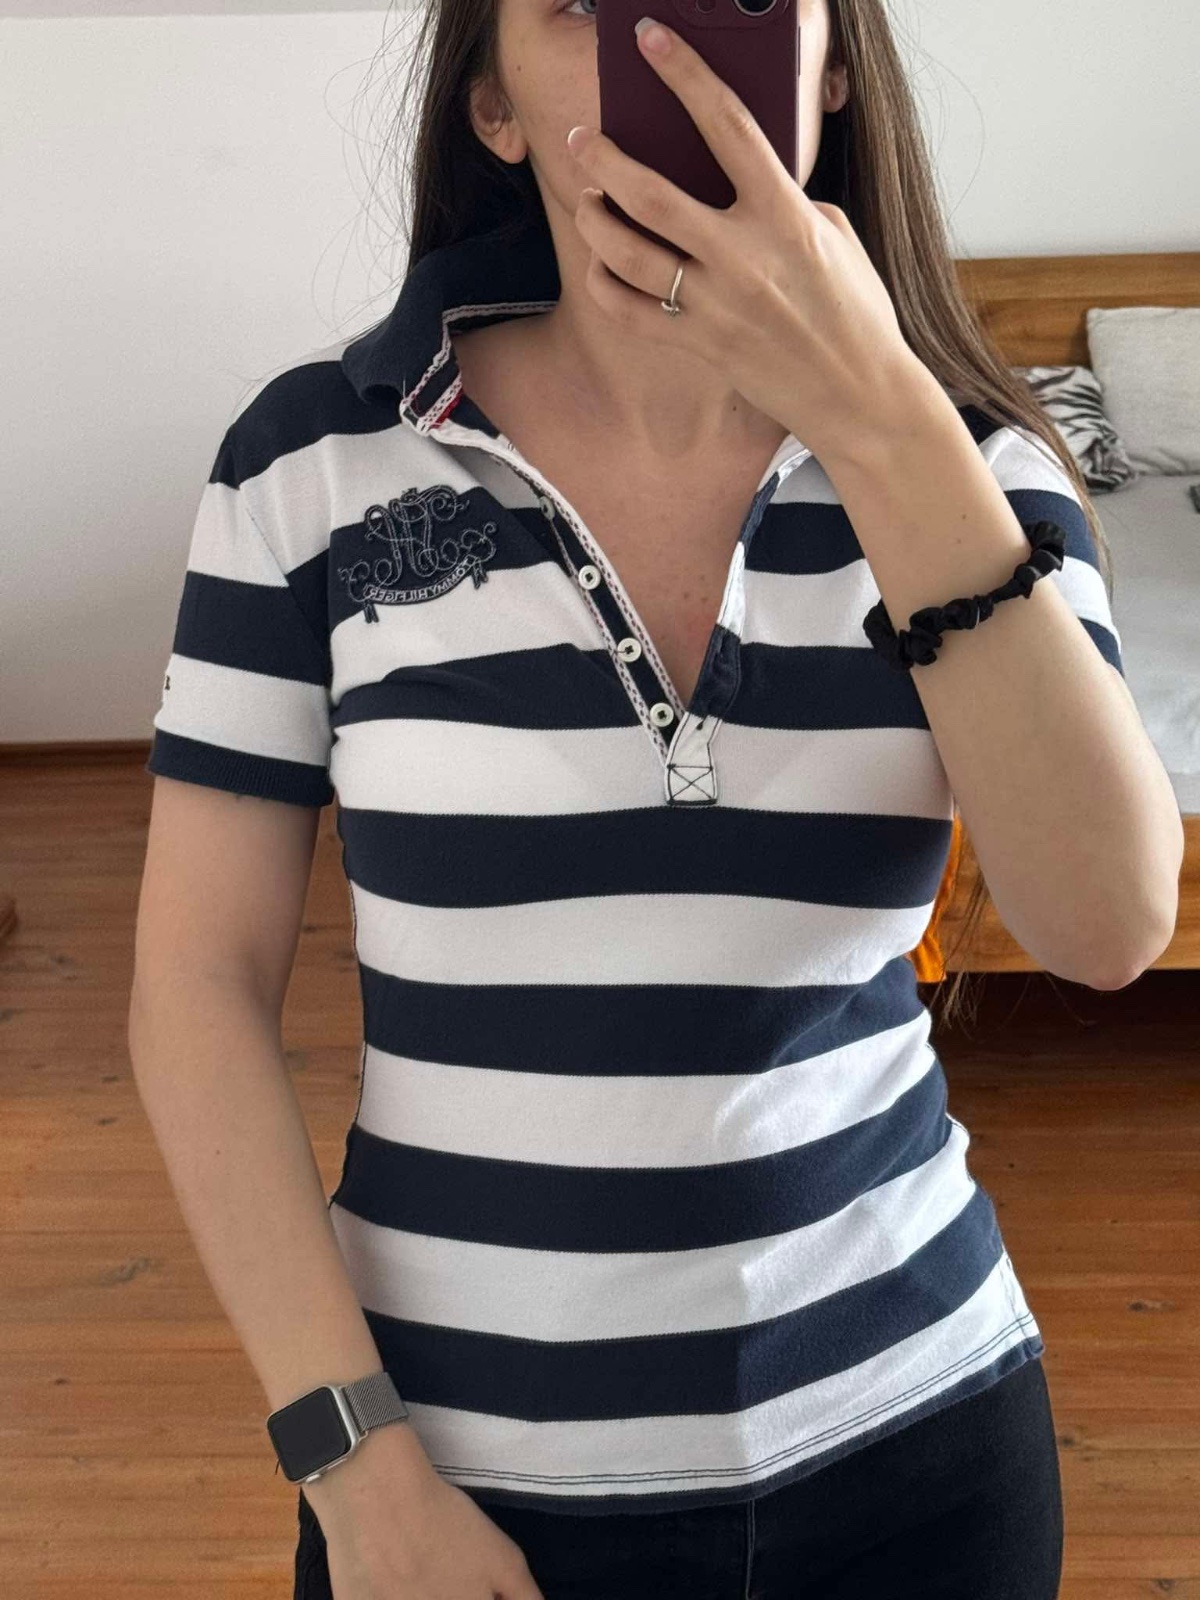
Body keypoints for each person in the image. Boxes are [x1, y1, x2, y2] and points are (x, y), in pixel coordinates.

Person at [130, 0, 1179, 1596]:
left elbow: (1105, 926)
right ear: (492, 105)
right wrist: (355, 1465)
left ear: (832, 68)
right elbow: (195, 988)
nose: (666, 39)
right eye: (584, 2)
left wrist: (882, 416)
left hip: (919, 1449)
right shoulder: (308, 467)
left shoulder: (977, 467)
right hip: (452, 1488)